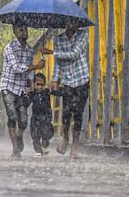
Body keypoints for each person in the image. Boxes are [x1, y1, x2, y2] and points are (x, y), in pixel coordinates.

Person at [40, 21, 90, 158]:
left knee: (78, 114)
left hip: (82, 79)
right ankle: (66, 138)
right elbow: (58, 63)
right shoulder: (58, 39)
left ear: (77, 22)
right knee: (66, 114)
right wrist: (55, 79)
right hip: (67, 81)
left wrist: (50, 52)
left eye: (73, 21)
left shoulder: (83, 35)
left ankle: (74, 146)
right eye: (68, 20)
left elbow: (74, 54)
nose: (70, 24)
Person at [0, 22, 46, 158]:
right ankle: (15, 149)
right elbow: (16, 67)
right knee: (12, 116)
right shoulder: (9, 48)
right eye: (20, 29)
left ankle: (18, 136)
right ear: (14, 31)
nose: (24, 32)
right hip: (8, 86)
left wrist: (31, 81)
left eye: (26, 29)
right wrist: (36, 66)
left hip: (21, 88)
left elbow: (30, 72)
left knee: (24, 120)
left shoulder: (30, 50)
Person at [24, 73, 55, 158]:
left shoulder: (46, 92)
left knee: (45, 135)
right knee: (35, 135)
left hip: (46, 117)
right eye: (38, 84)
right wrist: (26, 95)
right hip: (35, 118)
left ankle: (45, 145)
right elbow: (26, 103)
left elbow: (55, 92)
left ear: (45, 85)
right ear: (34, 84)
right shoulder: (32, 94)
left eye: (42, 85)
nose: (40, 87)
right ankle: (38, 151)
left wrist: (56, 87)